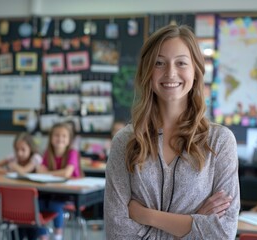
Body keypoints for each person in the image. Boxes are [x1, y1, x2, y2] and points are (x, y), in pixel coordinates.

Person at [104, 24, 240, 239]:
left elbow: (222, 233)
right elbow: (117, 231)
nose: (170, 72)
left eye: (181, 63)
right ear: (147, 72)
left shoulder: (220, 141)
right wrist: (195, 221)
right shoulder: (126, 141)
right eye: (159, 63)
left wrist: (144, 215)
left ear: (195, 71)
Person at [38, 122, 83, 240]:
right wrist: (53, 174)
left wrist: (47, 173)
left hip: (70, 195)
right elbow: (39, 171)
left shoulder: (72, 153)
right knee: (35, 205)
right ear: (51, 138)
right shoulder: (48, 153)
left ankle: (58, 236)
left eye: (64, 136)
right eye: (56, 135)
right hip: (52, 192)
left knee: (55, 205)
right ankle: (43, 236)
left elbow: (67, 173)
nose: (60, 139)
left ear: (69, 140)